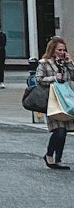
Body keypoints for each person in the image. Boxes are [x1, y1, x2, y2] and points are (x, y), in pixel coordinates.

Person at [36, 35, 74, 170]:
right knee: (59, 130)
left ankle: (58, 159)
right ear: (52, 50)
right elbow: (39, 79)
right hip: (53, 101)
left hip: (66, 100)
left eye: (64, 50)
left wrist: (69, 63)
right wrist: (53, 78)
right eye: (59, 50)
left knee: (64, 131)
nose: (62, 52)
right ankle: (49, 155)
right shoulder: (44, 63)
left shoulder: (65, 63)